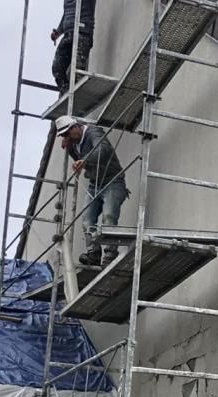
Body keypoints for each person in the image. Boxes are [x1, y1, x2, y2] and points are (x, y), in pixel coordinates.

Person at [55, 116, 129, 267]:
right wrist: (78, 162)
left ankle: (110, 252)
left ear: (75, 127)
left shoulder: (93, 132)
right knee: (87, 219)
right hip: (95, 184)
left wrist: (85, 161)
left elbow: (103, 149)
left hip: (113, 181)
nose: (66, 137)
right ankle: (93, 253)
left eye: (67, 134)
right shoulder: (72, 145)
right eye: (63, 135)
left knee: (109, 215)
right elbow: (80, 160)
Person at [51, 0, 96, 92]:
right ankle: (66, 92)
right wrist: (58, 32)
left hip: (82, 33)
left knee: (78, 70)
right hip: (68, 34)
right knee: (57, 67)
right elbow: (66, 15)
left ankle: (78, 95)